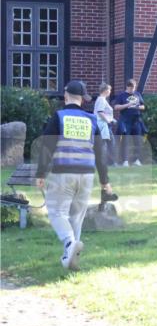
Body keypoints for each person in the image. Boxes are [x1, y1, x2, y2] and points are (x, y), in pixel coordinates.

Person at [34, 80, 113, 270]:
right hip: (86, 175)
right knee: (76, 218)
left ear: (66, 95)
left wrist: (41, 173)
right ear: (83, 99)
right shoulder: (92, 120)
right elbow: (100, 154)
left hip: (63, 173)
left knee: (56, 213)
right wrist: (105, 181)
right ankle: (70, 259)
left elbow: (46, 147)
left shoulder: (59, 116)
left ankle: (70, 244)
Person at [112, 78, 147, 166]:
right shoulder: (122, 95)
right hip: (125, 121)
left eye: (134, 88)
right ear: (127, 87)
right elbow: (116, 107)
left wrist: (137, 107)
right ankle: (125, 161)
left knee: (138, 140)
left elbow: (143, 107)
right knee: (125, 140)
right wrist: (128, 105)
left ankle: (137, 160)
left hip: (136, 120)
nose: (133, 90)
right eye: (131, 88)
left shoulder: (137, 94)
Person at [93, 83, 115, 162]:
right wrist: (108, 120)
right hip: (102, 125)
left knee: (105, 143)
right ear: (105, 90)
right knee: (109, 143)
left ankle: (106, 161)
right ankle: (110, 162)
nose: (110, 91)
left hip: (102, 124)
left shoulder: (101, 99)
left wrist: (112, 119)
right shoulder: (102, 100)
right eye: (109, 90)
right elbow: (100, 112)